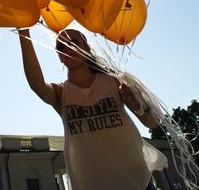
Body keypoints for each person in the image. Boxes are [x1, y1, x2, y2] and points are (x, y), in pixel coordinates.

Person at [18, 28, 159, 190]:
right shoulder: (61, 93)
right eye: (61, 47)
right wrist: (23, 30)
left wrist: (141, 105)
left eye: (74, 42)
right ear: (59, 57)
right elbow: (37, 85)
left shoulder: (115, 81)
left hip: (137, 181)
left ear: (87, 47)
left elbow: (152, 123)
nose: (67, 48)